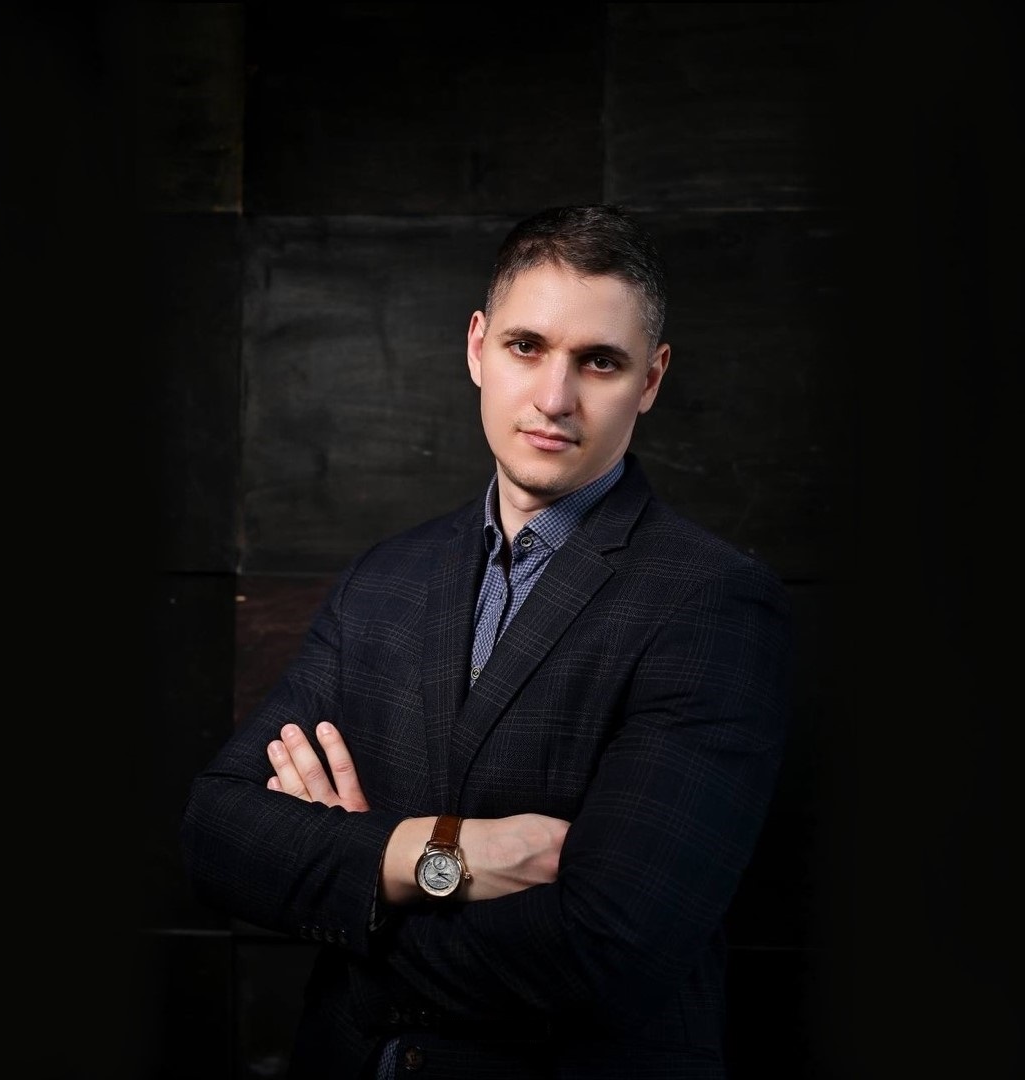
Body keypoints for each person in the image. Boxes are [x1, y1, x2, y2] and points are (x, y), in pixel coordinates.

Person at [180, 204, 794, 1079]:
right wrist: (440, 854)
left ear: (651, 379)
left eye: (600, 361)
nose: (554, 398)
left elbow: (607, 950)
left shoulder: (713, 602)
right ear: (477, 348)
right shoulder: (385, 577)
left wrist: (348, 885)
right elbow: (217, 835)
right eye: (526, 346)